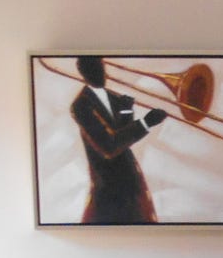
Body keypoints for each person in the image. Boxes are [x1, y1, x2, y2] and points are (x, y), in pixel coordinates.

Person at [70, 55, 167, 224]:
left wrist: (126, 111)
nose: (101, 73)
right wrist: (146, 122)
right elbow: (109, 146)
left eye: (101, 68)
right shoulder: (81, 106)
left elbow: (124, 135)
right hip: (108, 186)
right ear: (84, 73)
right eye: (95, 69)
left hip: (131, 180)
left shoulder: (113, 97)